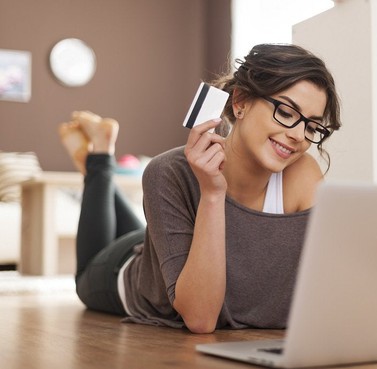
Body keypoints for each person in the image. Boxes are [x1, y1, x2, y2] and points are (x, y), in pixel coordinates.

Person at [58, 43, 342, 334]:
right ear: (241, 101)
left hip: (164, 246)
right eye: (285, 112)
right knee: (83, 278)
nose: (298, 136)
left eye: (311, 127)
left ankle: (99, 162)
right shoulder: (168, 171)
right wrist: (212, 193)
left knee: (153, 239)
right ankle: (100, 157)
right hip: (125, 272)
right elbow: (201, 319)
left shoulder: (303, 174)